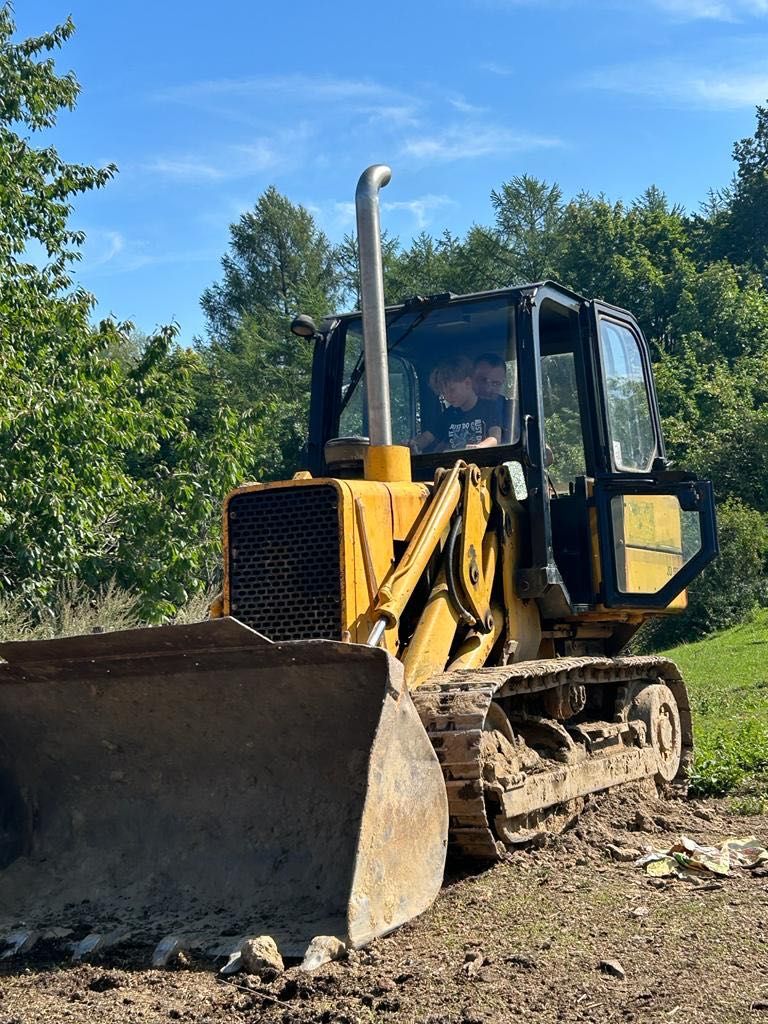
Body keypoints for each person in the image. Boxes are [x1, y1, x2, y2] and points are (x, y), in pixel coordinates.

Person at [410, 356, 502, 453]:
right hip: (455, 466)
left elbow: (495, 438)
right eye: (443, 393)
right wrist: (414, 445)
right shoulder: (448, 415)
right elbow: (427, 437)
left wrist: (479, 447)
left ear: (467, 383)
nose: (447, 397)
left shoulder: (489, 407)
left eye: (451, 390)